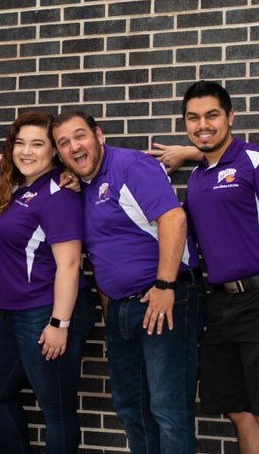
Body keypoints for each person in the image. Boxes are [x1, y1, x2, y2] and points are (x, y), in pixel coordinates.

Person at [50, 111, 197, 454]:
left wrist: (164, 288)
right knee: (133, 409)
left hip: (161, 300)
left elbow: (174, 219)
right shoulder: (80, 187)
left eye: (80, 136)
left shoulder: (130, 166)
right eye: (64, 143)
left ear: (99, 135)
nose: (75, 147)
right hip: (120, 311)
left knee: (168, 410)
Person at [181, 81, 259, 454]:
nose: (203, 124)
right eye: (193, 117)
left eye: (212, 115)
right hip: (219, 307)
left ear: (230, 117)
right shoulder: (198, 178)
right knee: (240, 412)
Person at [0, 112, 91, 454]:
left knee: (57, 410)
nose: (26, 151)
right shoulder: (13, 188)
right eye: (19, 143)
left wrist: (59, 323)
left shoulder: (59, 194)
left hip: (46, 312)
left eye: (37, 144)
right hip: (10, 313)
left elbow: (68, 263)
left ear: (54, 151)